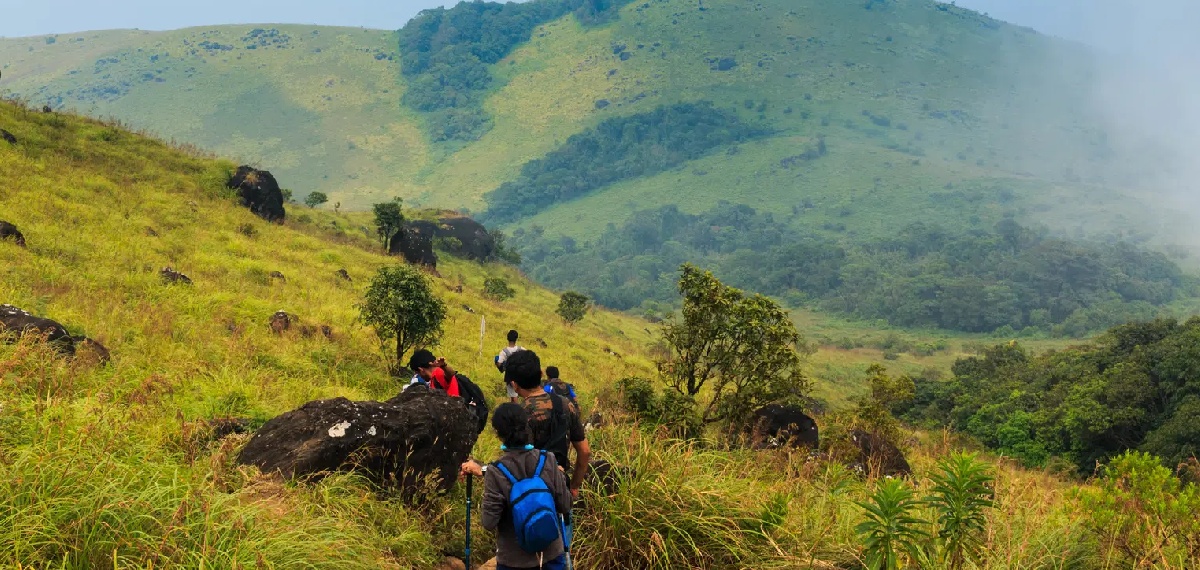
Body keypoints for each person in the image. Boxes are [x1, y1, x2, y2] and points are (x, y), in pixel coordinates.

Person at [467, 350, 591, 498]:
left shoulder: (519, 414)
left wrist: (480, 469)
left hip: (531, 495)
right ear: (540, 374)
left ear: (514, 384)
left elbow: (512, 467)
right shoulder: (565, 404)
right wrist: (574, 486)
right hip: (560, 489)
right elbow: (584, 451)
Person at [475, 403, 572, 570]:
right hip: (551, 555)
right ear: (527, 424)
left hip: (514, 561)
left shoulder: (495, 471)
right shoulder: (547, 459)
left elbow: (489, 522)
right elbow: (565, 504)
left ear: (498, 433)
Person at [495, 329, 525, 403]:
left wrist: (497, 363)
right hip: (520, 375)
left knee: (513, 396)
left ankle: (515, 411)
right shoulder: (521, 349)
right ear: (516, 338)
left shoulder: (504, 351)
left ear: (507, 338)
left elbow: (499, 363)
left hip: (510, 376)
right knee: (517, 395)